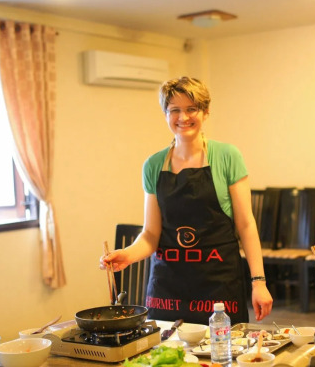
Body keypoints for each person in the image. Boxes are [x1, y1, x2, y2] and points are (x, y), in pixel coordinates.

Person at [101, 77, 273, 325]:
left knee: (222, 349)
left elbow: (246, 225)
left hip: (219, 286)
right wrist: (127, 255)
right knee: (166, 349)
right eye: (175, 110)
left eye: (192, 108)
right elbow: (150, 234)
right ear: (165, 114)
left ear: (205, 111)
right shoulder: (153, 165)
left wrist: (259, 282)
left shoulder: (227, 156)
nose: (183, 117)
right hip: (167, 291)